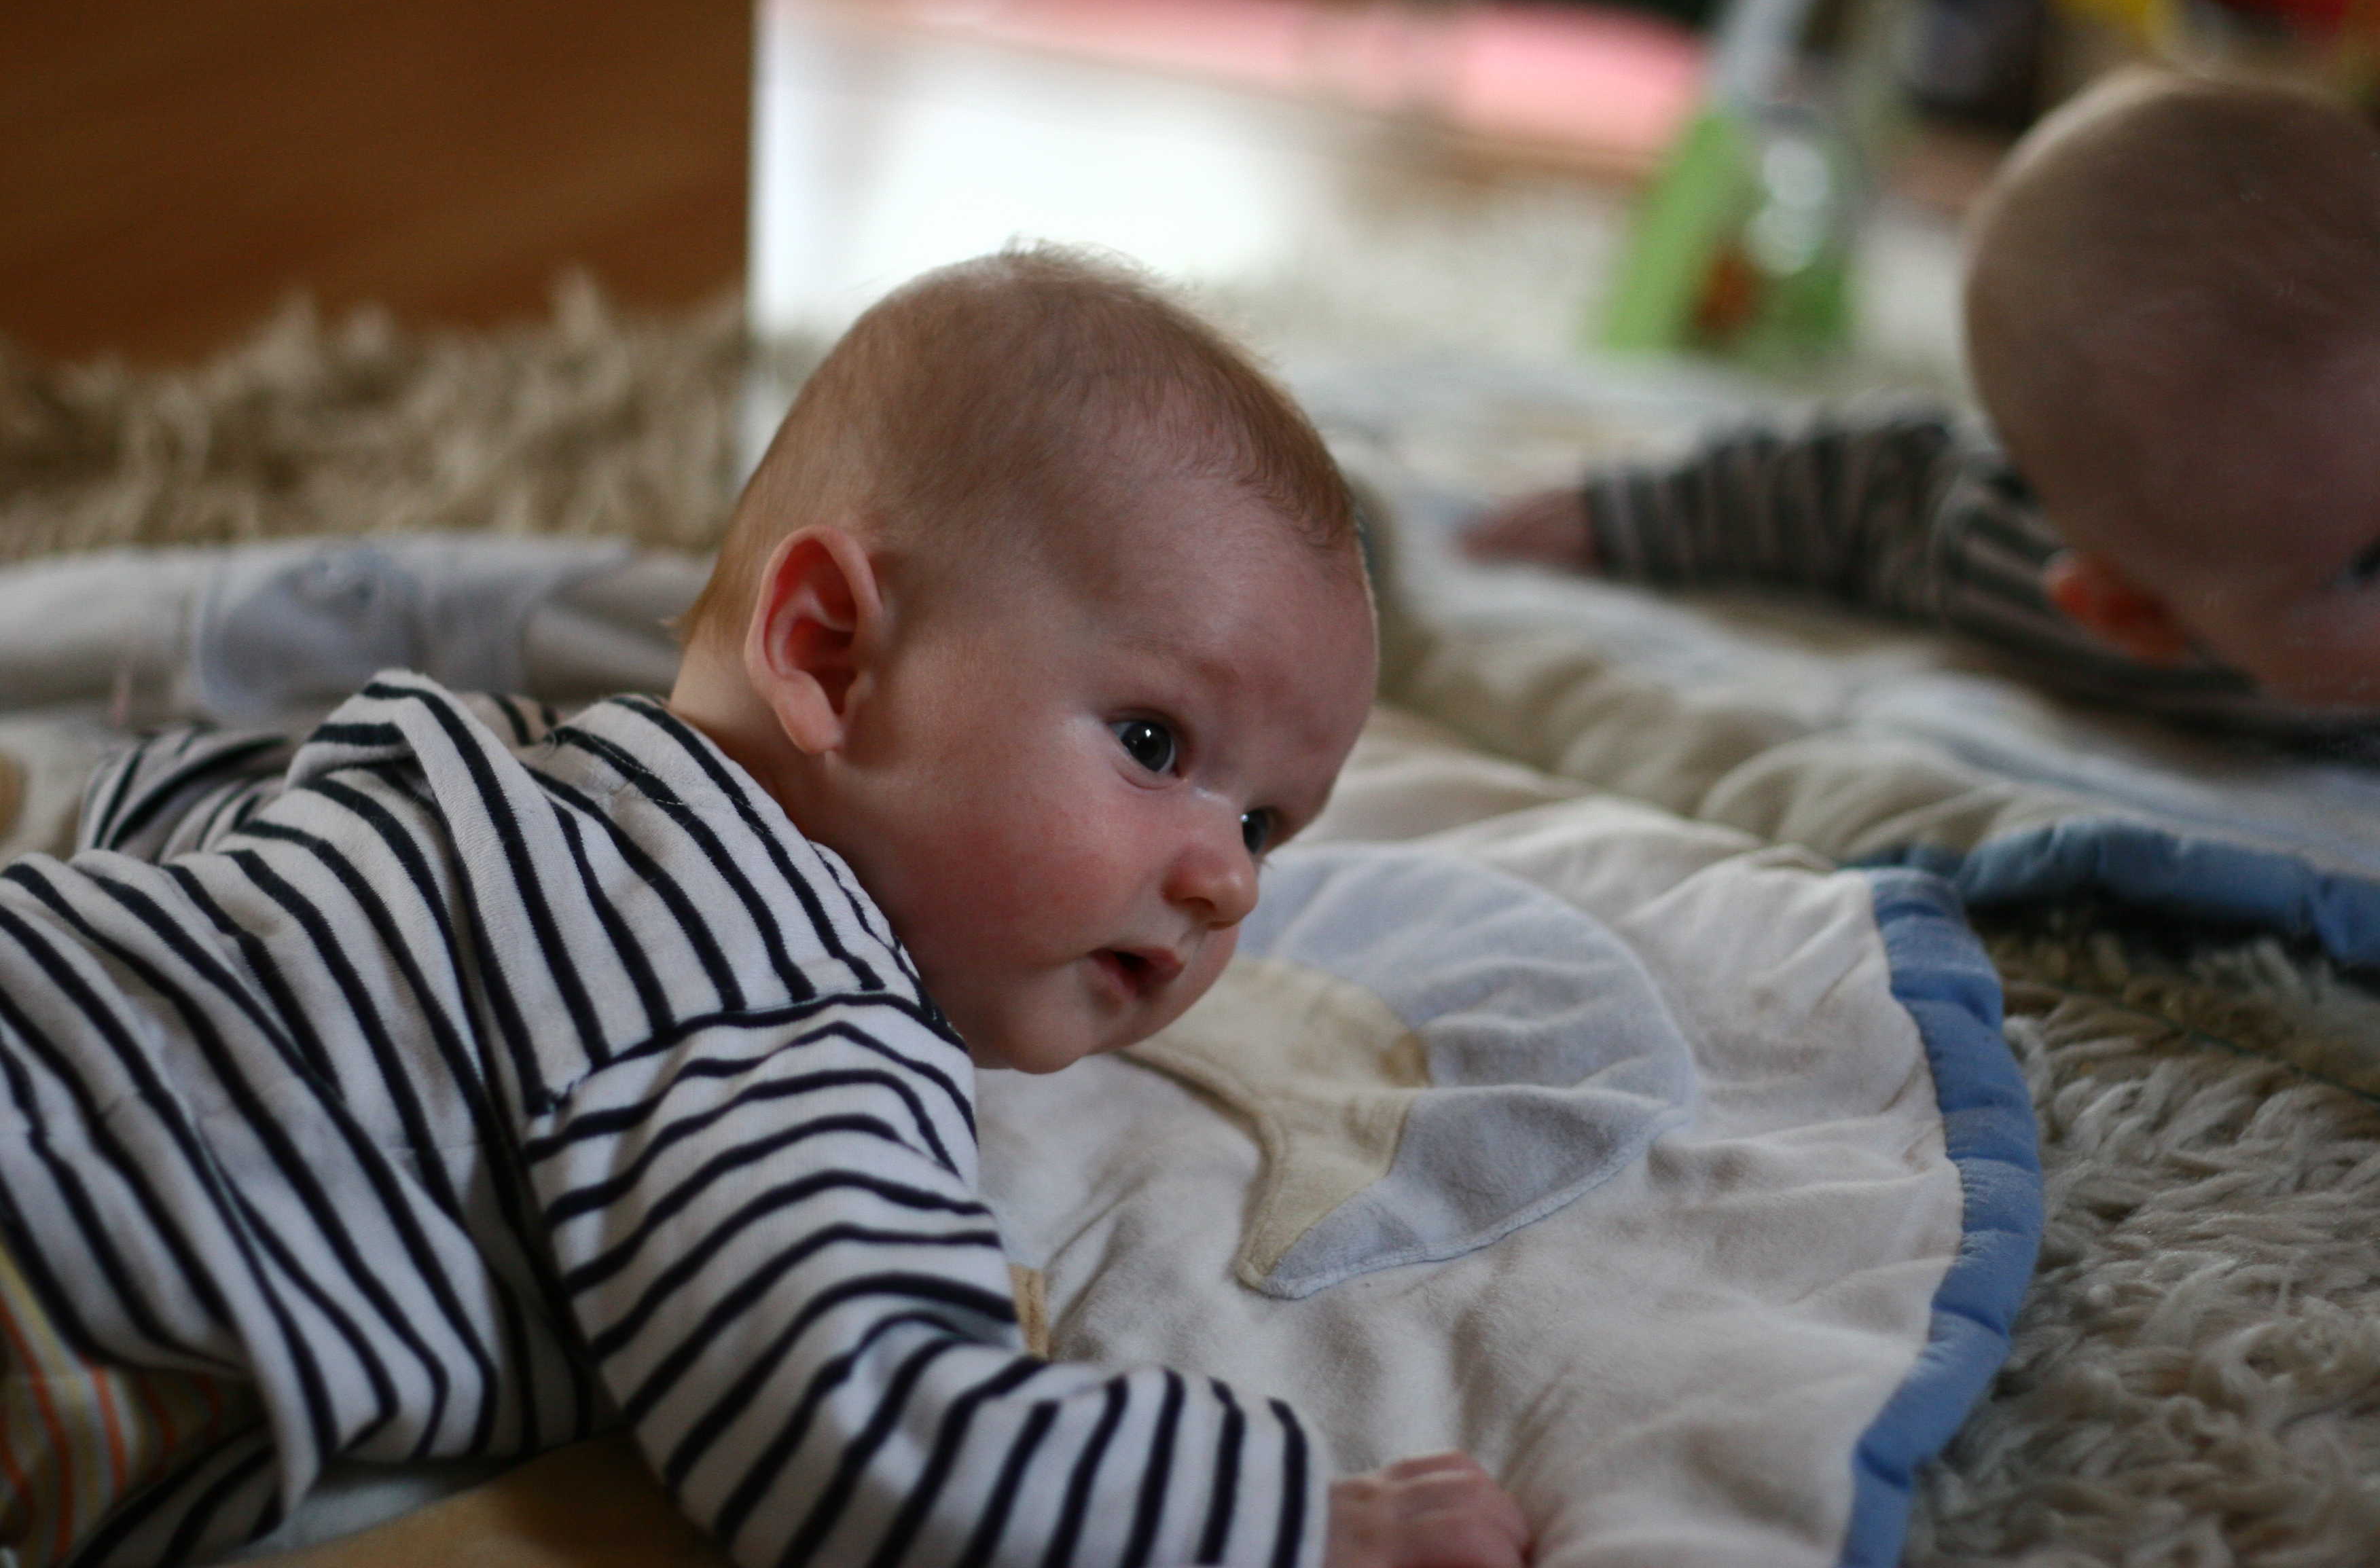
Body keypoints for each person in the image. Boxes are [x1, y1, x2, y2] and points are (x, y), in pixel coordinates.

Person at [0, 248, 1534, 1568]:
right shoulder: (774, 990)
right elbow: (872, 1435)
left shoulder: (477, 759)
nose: (1229, 877)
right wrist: (1292, 1526)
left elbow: (181, 832)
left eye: (1265, 823)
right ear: (829, 655)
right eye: (1153, 743)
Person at [1462, 69, 2380, 750]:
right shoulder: (1993, 550)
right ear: (2131, 616)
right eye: (2369, 564)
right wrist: (1632, 515)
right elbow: (1858, 490)